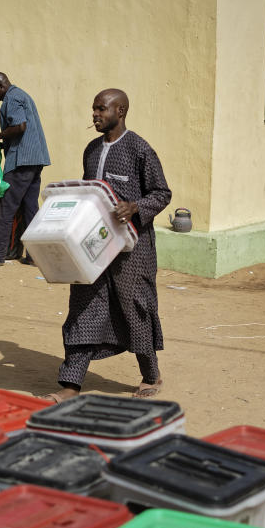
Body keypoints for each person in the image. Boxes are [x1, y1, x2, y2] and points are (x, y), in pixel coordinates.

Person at [43, 88, 171, 400]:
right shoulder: (90, 149)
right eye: (94, 109)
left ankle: (150, 374)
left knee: (135, 308)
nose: (95, 115)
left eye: (101, 109)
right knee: (83, 308)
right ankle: (70, 385)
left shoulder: (140, 150)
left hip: (133, 249)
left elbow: (161, 193)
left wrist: (135, 207)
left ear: (121, 111)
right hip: (93, 245)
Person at [0, 72, 51, 266]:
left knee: (5, 208)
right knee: (30, 208)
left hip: (22, 161)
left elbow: (20, 127)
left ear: (1, 85)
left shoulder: (12, 97)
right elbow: (22, 132)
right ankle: (35, 256)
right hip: (35, 159)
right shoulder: (23, 95)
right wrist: (1, 145)